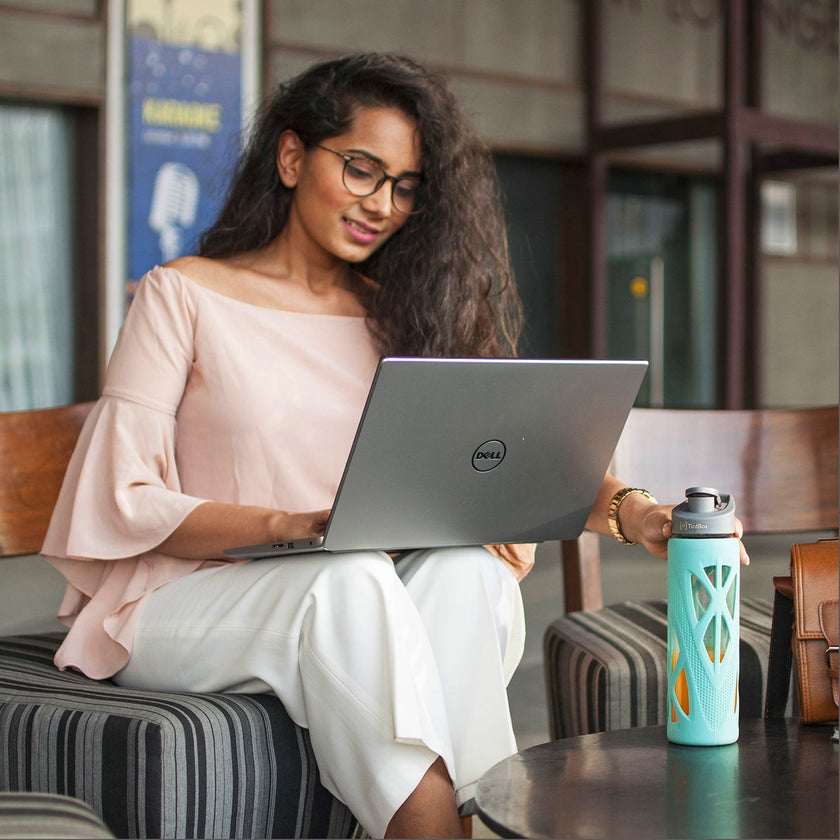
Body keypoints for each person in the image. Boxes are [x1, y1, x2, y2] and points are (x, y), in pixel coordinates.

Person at [41, 52, 747, 839]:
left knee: (464, 575)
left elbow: (513, 466)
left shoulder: (402, 318)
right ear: (290, 156)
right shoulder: (183, 294)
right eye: (361, 170)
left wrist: (635, 512)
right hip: (182, 602)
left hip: (356, 592)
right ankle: (438, 823)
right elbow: (125, 497)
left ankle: (478, 815)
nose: (382, 203)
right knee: (346, 580)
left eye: (404, 187)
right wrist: (292, 525)